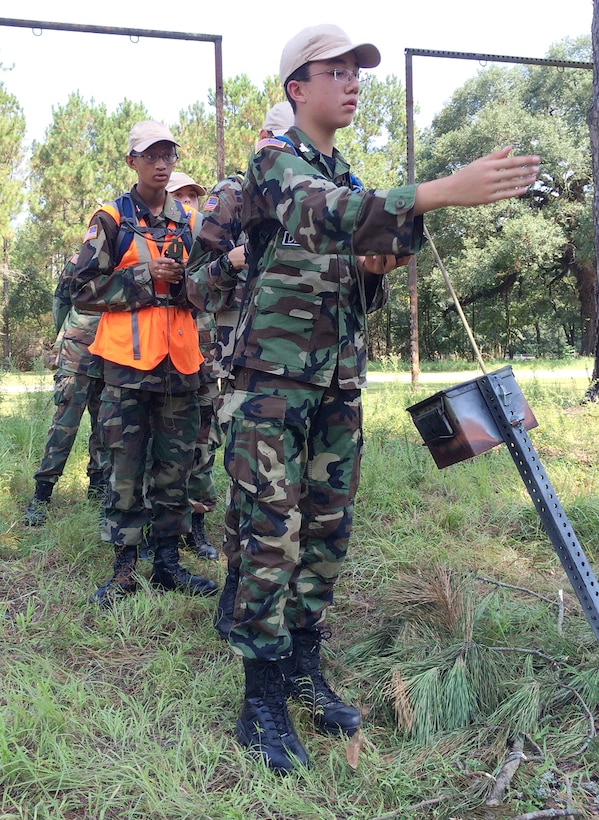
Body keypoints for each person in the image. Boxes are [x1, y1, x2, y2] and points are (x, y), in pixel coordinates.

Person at [199, 24, 540, 774]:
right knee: (269, 535)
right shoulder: (274, 164)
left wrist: (379, 264)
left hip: (336, 382)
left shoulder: (344, 170)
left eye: (358, 71)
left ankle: (301, 668)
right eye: (337, 70)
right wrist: (441, 191)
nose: (354, 81)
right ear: (298, 87)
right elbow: (320, 213)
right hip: (271, 386)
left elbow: (359, 268)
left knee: (325, 530)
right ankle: (259, 700)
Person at [71, 120, 218, 607]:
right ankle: (124, 568)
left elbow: (210, 288)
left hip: (181, 365)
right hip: (126, 368)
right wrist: (140, 276)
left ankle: (167, 563)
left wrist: (187, 281)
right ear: (132, 161)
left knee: (175, 469)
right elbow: (82, 289)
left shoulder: (193, 222)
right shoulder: (111, 219)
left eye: (168, 155)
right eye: (150, 155)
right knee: (126, 470)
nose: (161, 164)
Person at [186, 101, 295, 635]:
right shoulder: (231, 198)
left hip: (306, 369)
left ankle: (289, 604)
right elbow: (191, 284)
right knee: (249, 480)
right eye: (276, 139)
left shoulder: (322, 194)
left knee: (293, 491)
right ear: (260, 139)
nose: (283, 151)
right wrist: (231, 264)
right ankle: (236, 586)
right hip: (244, 364)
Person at [24, 253, 110, 526]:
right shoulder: (81, 259)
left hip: (113, 354)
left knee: (105, 426)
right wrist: (64, 337)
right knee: (64, 426)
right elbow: (61, 301)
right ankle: (42, 495)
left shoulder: (127, 255)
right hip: (77, 354)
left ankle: (97, 490)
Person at [162, 171, 219, 560]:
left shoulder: (214, 246)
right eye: (178, 196)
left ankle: (196, 526)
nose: (187, 202)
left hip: (206, 360)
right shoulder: (154, 244)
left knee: (204, 443)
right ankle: (161, 525)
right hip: (163, 359)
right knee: (162, 444)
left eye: (193, 196)